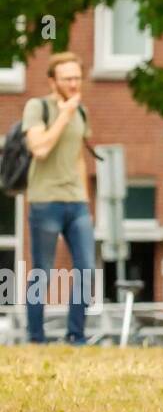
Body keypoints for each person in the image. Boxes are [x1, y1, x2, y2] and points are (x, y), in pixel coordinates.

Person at [22, 52, 96, 345]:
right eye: (67, 78)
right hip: (45, 200)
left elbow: (78, 156)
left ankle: (76, 335)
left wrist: (85, 200)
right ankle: (36, 337)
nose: (74, 84)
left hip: (75, 201)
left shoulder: (82, 111)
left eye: (77, 77)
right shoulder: (37, 107)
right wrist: (64, 114)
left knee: (86, 269)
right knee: (43, 270)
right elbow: (39, 148)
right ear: (53, 81)